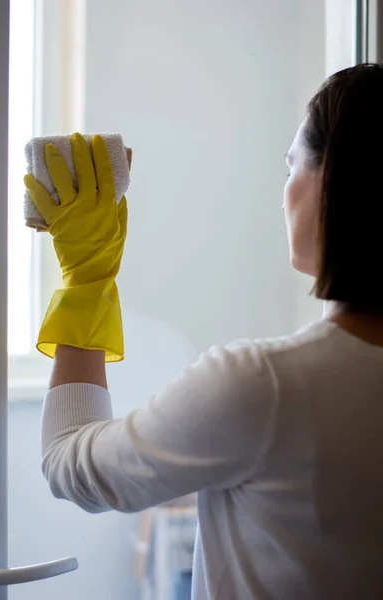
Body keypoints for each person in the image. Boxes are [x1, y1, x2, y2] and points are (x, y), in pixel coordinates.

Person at [24, 64, 383, 600]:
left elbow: (71, 464)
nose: (283, 195)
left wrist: (86, 282)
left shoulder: (264, 386)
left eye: (291, 168)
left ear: (333, 180)